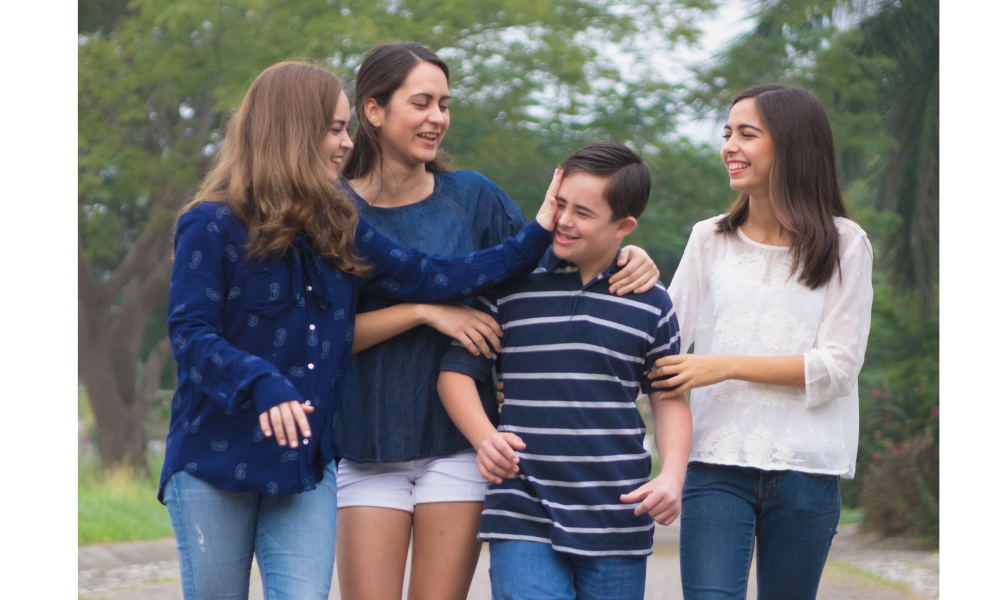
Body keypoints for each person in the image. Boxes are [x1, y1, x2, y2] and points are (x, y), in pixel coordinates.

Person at [160, 60, 562, 600]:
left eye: (346, 127)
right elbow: (189, 334)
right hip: (214, 458)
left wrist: (540, 231)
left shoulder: (339, 220)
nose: (347, 143)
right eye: (334, 128)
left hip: (305, 462)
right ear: (293, 130)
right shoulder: (209, 224)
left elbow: (430, 274)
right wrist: (262, 382)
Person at [331, 43, 662, 600]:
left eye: (444, 103)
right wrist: (423, 312)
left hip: (458, 448)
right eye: (422, 102)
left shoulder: (473, 197)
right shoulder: (335, 209)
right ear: (373, 110)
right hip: (365, 445)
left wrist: (632, 253)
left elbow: (551, 259)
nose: (438, 117)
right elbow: (327, 336)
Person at [647, 84, 874, 600]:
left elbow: (838, 367)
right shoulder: (709, 239)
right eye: (727, 133)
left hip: (806, 471)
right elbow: (664, 348)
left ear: (791, 146)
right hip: (715, 464)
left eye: (747, 134)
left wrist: (724, 365)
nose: (729, 145)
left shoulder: (845, 244)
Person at [436, 142, 693, 600]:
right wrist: (484, 437)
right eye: (559, 203)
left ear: (624, 227)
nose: (565, 220)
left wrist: (672, 476)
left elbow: (669, 397)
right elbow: (455, 373)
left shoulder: (652, 302)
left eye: (584, 212)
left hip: (618, 515)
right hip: (522, 507)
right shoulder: (511, 283)